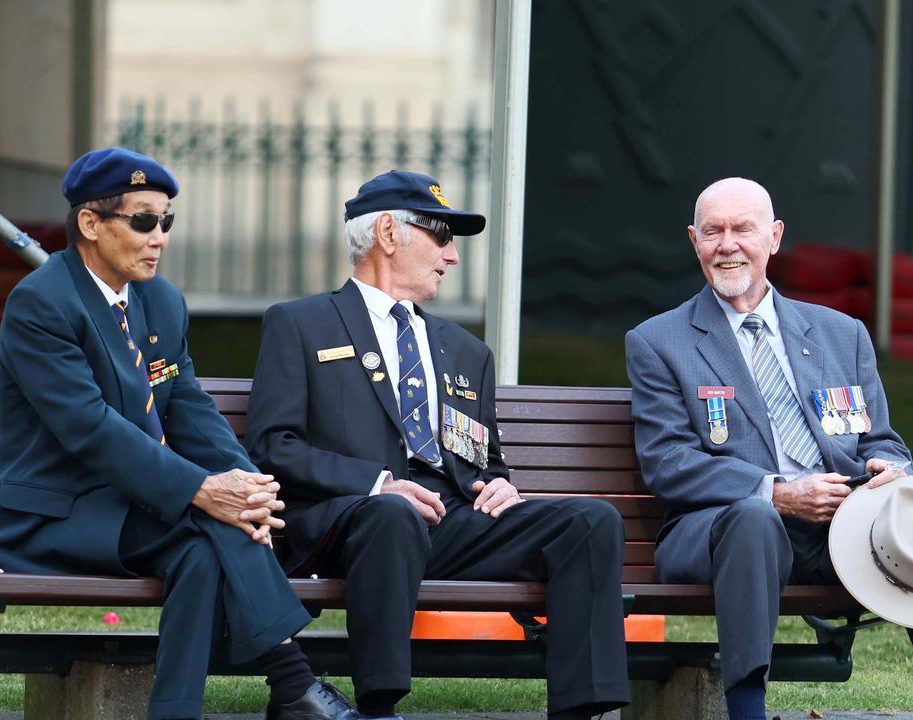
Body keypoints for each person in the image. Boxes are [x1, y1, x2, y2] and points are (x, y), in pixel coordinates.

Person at [0, 148, 358, 720]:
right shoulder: (42, 304)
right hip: (48, 514)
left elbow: (189, 406)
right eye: (143, 221)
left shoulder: (160, 300)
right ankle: (293, 680)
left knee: (201, 552)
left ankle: (184, 711)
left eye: (167, 222)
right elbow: (91, 431)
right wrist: (204, 492)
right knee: (207, 519)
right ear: (90, 223)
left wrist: (247, 484)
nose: (159, 237)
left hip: (133, 509)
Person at [246, 170, 631, 720]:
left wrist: (499, 483)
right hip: (350, 518)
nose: (451, 256)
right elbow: (273, 445)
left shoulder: (465, 349)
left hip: (449, 520)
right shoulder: (303, 324)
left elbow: (485, 455)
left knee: (591, 523)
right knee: (392, 515)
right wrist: (378, 484)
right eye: (441, 237)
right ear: (387, 233)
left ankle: (581, 708)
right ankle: (380, 706)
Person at [624, 178, 913, 720]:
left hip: (841, 526)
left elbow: (879, 437)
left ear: (774, 237)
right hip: (720, 528)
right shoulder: (658, 341)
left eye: (744, 229)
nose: (728, 244)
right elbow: (669, 463)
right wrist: (779, 495)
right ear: (694, 240)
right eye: (713, 231)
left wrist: (891, 467)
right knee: (754, 519)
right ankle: (747, 712)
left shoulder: (842, 334)